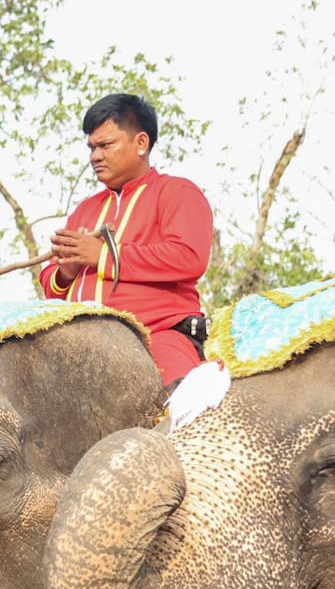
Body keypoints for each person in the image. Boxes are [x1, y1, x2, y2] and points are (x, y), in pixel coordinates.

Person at [41, 93, 212, 385]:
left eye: (105, 145)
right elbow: (51, 284)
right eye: (92, 147)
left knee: (180, 409)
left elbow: (188, 258)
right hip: (77, 346)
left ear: (141, 143)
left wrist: (103, 256)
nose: (95, 156)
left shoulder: (177, 192)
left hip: (158, 337)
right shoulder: (86, 209)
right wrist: (66, 273)